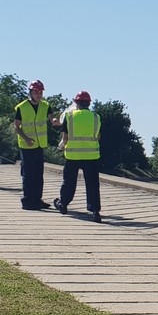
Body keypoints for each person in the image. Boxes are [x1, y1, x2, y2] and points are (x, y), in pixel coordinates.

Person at [54, 90, 103, 222]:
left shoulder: (69, 116)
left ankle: (63, 204)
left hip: (73, 155)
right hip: (91, 156)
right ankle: (95, 210)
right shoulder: (96, 117)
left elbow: (65, 138)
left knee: (69, 182)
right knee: (92, 184)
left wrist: (62, 147)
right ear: (89, 103)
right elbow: (98, 136)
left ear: (76, 103)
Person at [14, 80, 52, 210]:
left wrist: (55, 121)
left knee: (38, 174)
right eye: (36, 92)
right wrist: (26, 138)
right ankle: (28, 201)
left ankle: (37, 199)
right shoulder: (22, 107)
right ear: (30, 92)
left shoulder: (45, 106)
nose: (39, 94)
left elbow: (51, 118)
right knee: (28, 174)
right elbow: (17, 127)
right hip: (26, 146)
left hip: (39, 145)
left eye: (40, 92)